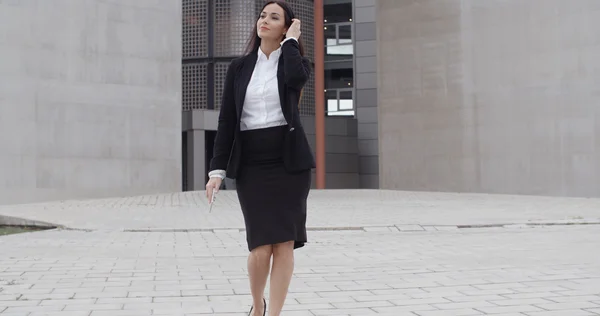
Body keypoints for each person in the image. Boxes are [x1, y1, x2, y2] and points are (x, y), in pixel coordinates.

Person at [205, 1, 316, 315]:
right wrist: (217, 170)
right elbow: (227, 120)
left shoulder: (295, 61)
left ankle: (275, 313)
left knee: (284, 244)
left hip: (289, 164)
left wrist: (291, 42)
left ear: (285, 27)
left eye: (274, 17)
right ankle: (258, 307)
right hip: (252, 164)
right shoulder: (238, 68)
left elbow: (296, 80)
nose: (264, 20)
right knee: (259, 248)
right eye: (263, 15)